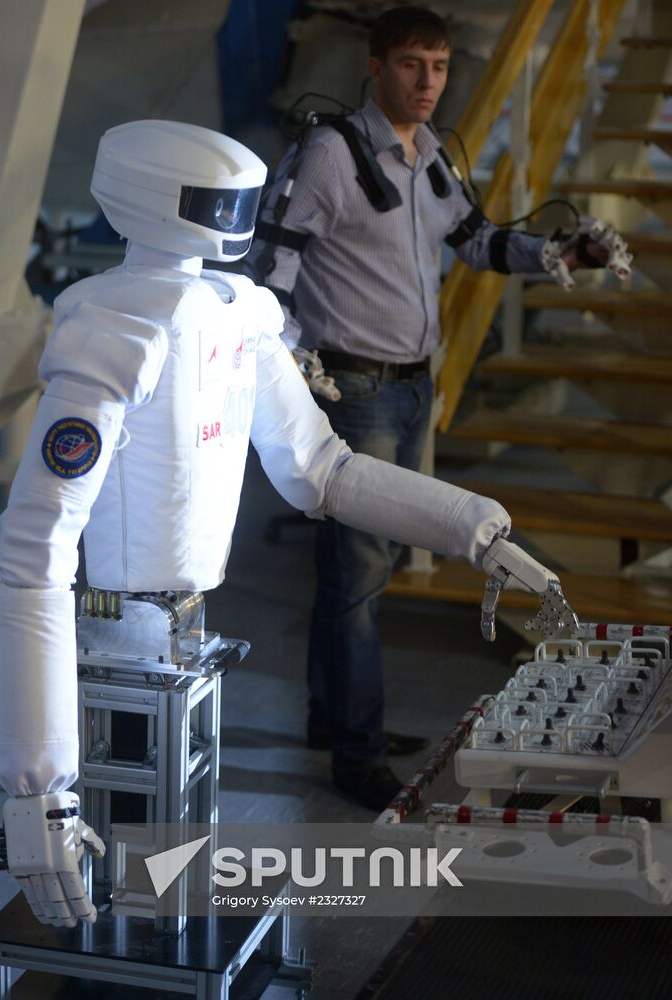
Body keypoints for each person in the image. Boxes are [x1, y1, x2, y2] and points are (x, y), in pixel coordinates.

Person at [0, 117, 569, 928]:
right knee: (131, 853)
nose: (235, 217)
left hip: (184, 628)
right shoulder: (116, 332)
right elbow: (32, 555)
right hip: (117, 634)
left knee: (172, 853)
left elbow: (319, 471)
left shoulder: (238, 311)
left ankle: (160, 930)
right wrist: (39, 795)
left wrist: (474, 528)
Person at [247, 4, 628, 811]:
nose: (428, 83)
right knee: (357, 577)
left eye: (440, 67)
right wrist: (278, 364)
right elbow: (272, 265)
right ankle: (355, 754)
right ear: (376, 67)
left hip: (411, 385)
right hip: (352, 391)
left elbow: (478, 241)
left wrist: (560, 252)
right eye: (413, 65)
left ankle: (333, 719)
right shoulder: (329, 155)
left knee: (357, 575)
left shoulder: (428, 160)